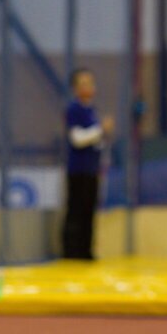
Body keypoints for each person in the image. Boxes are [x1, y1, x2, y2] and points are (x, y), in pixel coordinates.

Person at [62, 68, 112, 260]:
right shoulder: (74, 109)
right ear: (75, 88)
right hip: (78, 170)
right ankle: (72, 252)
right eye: (83, 84)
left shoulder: (91, 110)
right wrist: (100, 130)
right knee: (76, 211)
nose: (88, 87)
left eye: (90, 83)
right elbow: (77, 138)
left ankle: (86, 251)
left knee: (89, 211)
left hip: (92, 169)